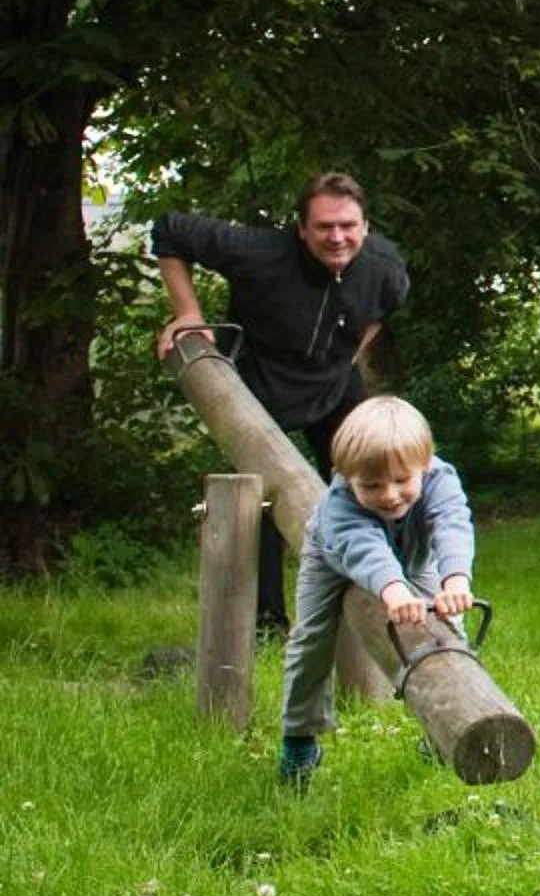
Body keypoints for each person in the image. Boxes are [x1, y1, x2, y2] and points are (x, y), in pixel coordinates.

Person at [152, 173, 410, 629]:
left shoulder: (384, 267)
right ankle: (268, 621)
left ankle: (379, 603)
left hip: (333, 386)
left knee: (374, 481)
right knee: (261, 502)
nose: (337, 237)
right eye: (324, 227)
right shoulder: (258, 251)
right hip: (261, 389)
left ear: (365, 228)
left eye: (348, 226)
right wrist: (189, 314)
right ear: (302, 229)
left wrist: (346, 357)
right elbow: (169, 231)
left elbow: (380, 314)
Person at [276, 397, 476, 787]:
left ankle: (445, 725)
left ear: (425, 463)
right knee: (311, 639)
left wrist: (455, 579)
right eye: (371, 485)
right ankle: (299, 738)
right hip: (334, 558)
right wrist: (393, 589)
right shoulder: (339, 505)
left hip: (415, 560)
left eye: (403, 481)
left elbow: (452, 524)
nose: (389, 494)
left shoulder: (440, 478)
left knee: (449, 632)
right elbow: (363, 546)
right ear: (343, 475)